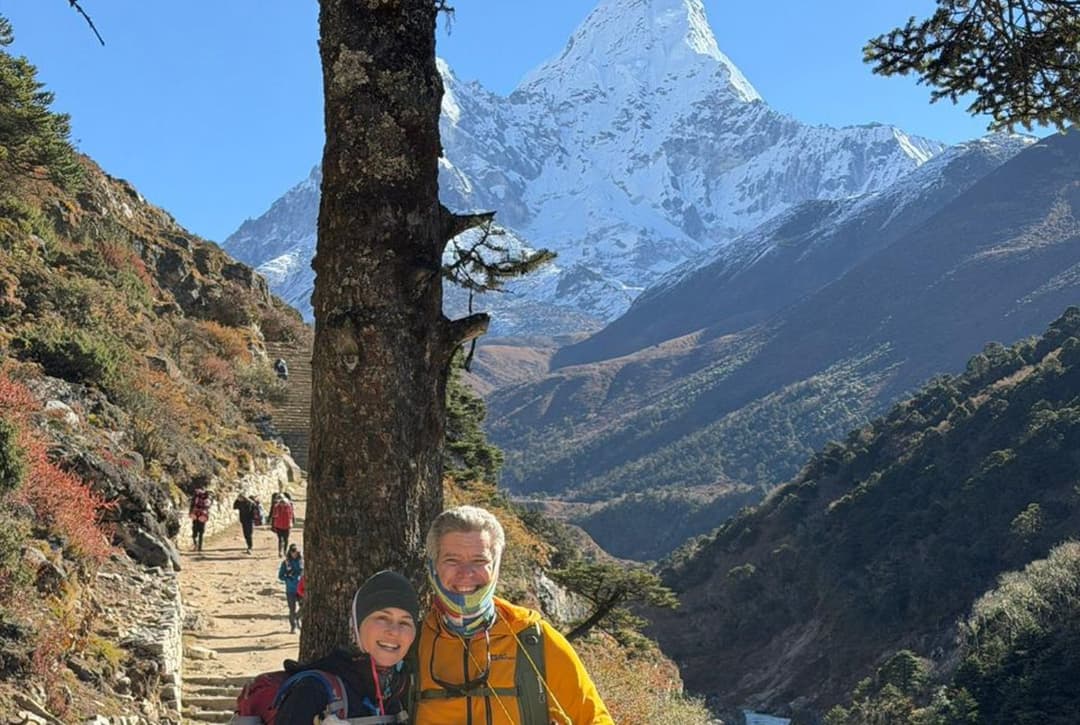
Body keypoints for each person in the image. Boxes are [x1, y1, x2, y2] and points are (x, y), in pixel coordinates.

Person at [417, 505, 613, 724]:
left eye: (479, 561)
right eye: (451, 560)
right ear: (433, 566)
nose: (466, 573)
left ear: (496, 567)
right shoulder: (412, 645)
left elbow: (594, 719)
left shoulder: (534, 639)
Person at [274, 570, 419, 722]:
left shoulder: (404, 691)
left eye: (405, 622)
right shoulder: (313, 690)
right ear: (356, 625)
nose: (394, 631)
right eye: (382, 618)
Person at [278, 544, 304, 633]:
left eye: (295, 551)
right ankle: (293, 626)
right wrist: (288, 578)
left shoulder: (302, 561)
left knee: (304, 606)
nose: (294, 553)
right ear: (290, 552)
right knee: (292, 609)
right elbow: (280, 576)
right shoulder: (285, 563)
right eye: (292, 551)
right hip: (290, 589)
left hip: (301, 588)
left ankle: (298, 618)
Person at [269, 491, 295, 557]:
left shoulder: (289, 507)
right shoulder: (276, 507)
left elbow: (292, 515)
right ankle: (280, 552)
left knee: (286, 539)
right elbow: (274, 516)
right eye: (281, 503)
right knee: (280, 539)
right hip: (279, 526)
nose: (282, 504)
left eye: (284, 503)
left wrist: (292, 522)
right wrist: (273, 525)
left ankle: (285, 551)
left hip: (287, 526)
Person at [188, 485, 212, 552]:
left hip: (196, 516)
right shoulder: (207, 499)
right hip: (202, 517)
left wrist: (191, 513)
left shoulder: (196, 498)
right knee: (201, 533)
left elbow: (192, 506)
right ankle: (199, 547)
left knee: (195, 532)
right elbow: (208, 507)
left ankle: (196, 545)